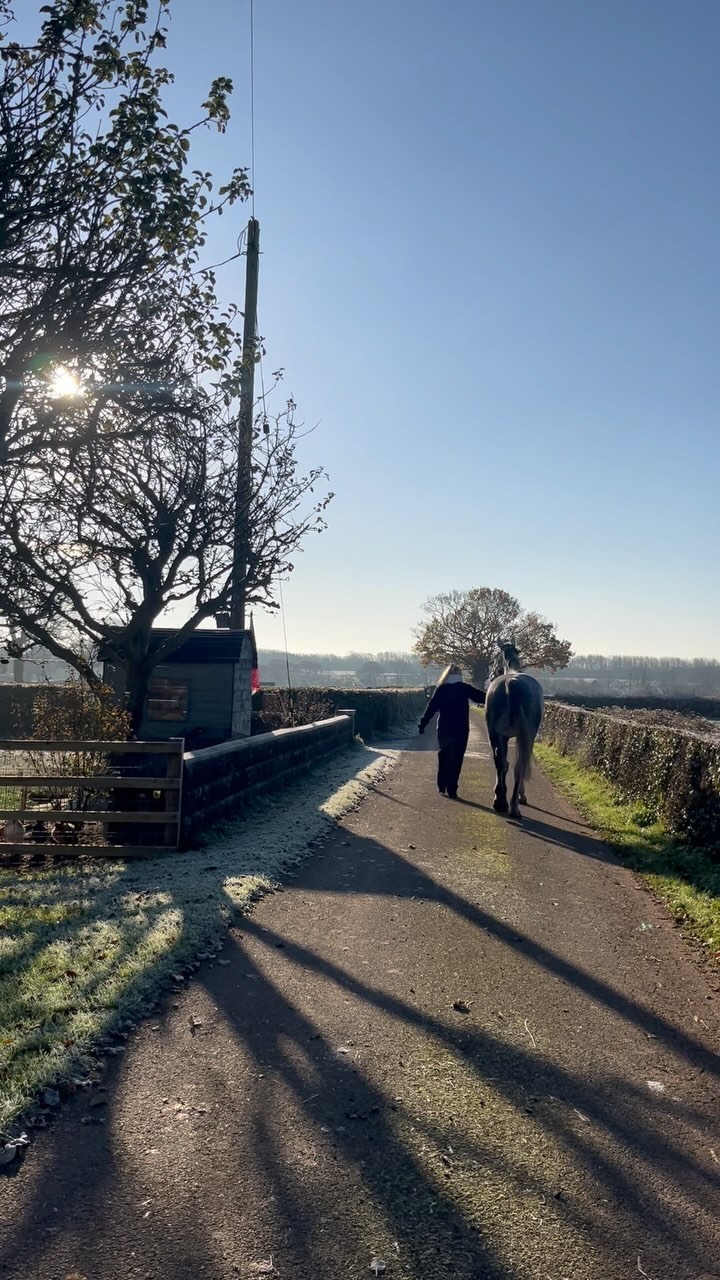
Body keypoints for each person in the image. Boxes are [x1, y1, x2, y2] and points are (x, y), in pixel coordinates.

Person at [418, 664, 485, 799]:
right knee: (457, 758)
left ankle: (442, 784)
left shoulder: (441, 689)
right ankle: (452, 788)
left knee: (444, 755)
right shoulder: (464, 688)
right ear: (460, 675)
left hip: (444, 728)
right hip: (461, 728)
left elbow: (431, 708)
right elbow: (481, 697)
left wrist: (422, 724)